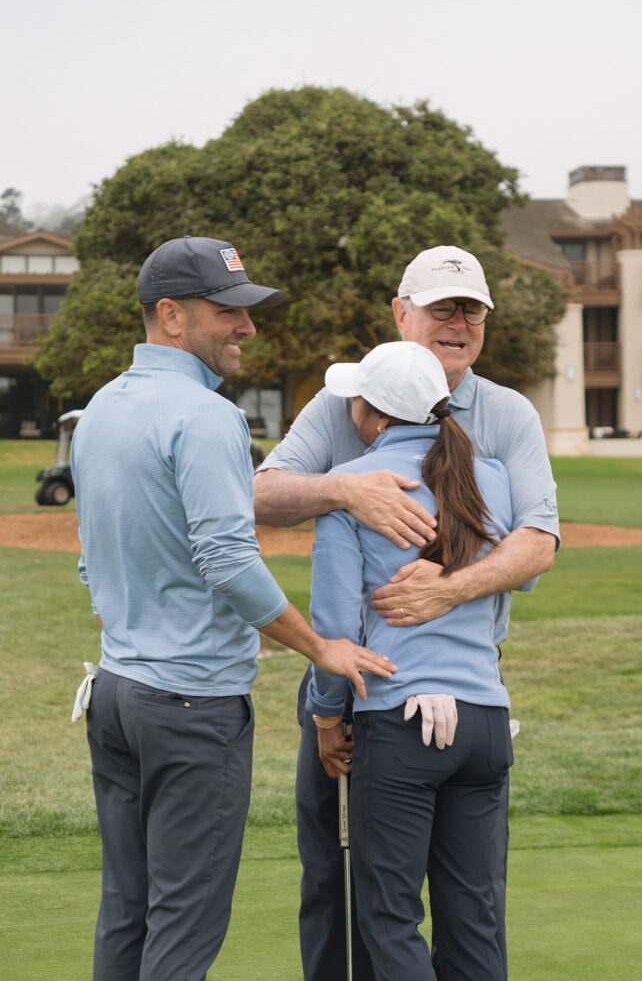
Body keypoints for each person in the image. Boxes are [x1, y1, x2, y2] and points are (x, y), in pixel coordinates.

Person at [71, 236, 396, 981]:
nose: (246, 328)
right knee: (185, 921)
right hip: (192, 707)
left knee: (128, 907)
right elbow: (227, 560)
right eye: (227, 312)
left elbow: (92, 558)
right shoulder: (208, 416)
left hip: (117, 695)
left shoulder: (100, 410)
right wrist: (319, 647)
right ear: (171, 316)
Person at [253, 245, 560, 981]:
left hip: (374, 696)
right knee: (347, 881)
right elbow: (260, 494)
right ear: (401, 313)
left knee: (390, 910)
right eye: (440, 308)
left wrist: (446, 586)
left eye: (470, 311)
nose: (457, 323)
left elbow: (538, 544)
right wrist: (342, 492)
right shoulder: (361, 423)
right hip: (476, 704)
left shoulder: (505, 415)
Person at [309, 340, 530, 980]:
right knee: (474, 919)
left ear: (374, 416)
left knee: (388, 918)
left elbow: (334, 629)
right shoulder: (487, 473)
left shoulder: (352, 488)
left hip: (399, 723)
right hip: (486, 721)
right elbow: (523, 577)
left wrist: (327, 718)